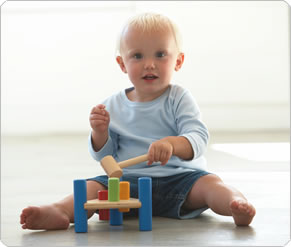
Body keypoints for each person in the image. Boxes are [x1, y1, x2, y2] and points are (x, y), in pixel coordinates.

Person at [20, 13, 255, 230]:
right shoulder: (112, 105)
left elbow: (198, 138)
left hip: (181, 180)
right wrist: (100, 133)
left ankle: (236, 204)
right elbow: (106, 157)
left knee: (211, 185)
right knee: (92, 186)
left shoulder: (179, 98)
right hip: (127, 185)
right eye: (138, 55)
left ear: (178, 61)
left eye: (160, 55)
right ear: (122, 64)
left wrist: (173, 144)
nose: (149, 64)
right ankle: (60, 210)